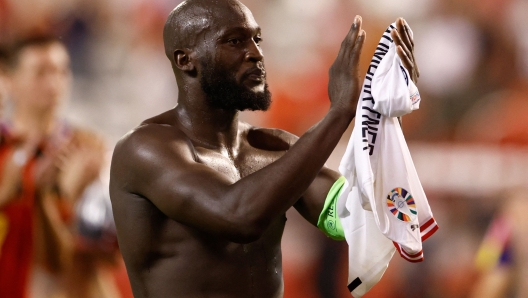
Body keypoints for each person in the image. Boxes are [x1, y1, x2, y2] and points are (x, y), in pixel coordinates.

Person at [109, 0, 419, 297]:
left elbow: (354, 215)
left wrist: (380, 115)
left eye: (257, 39)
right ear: (185, 59)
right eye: (234, 41)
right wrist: (338, 114)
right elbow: (238, 216)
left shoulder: (275, 146)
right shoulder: (143, 150)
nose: (255, 53)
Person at [0, 36, 116, 298]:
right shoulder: (5, 151)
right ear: (10, 79)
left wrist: (79, 195)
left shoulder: (90, 149)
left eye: (62, 71)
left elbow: (108, 254)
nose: (54, 83)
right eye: (41, 72)